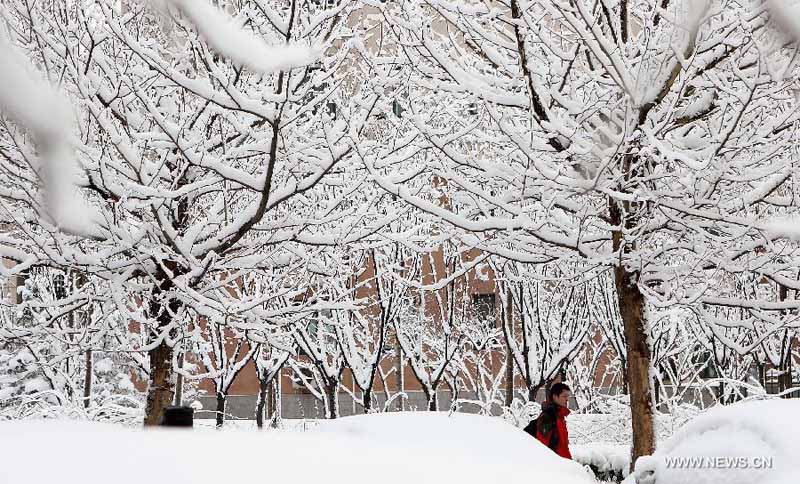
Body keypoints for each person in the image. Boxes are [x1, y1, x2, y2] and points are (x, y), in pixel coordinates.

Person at [533, 382, 572, 459]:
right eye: (564, 396)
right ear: (555, 397)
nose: (567, 399)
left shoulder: (559, 417)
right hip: (556, 466)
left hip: (564, 464)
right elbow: (542, 447)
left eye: (568, 396)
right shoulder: (548, 417)